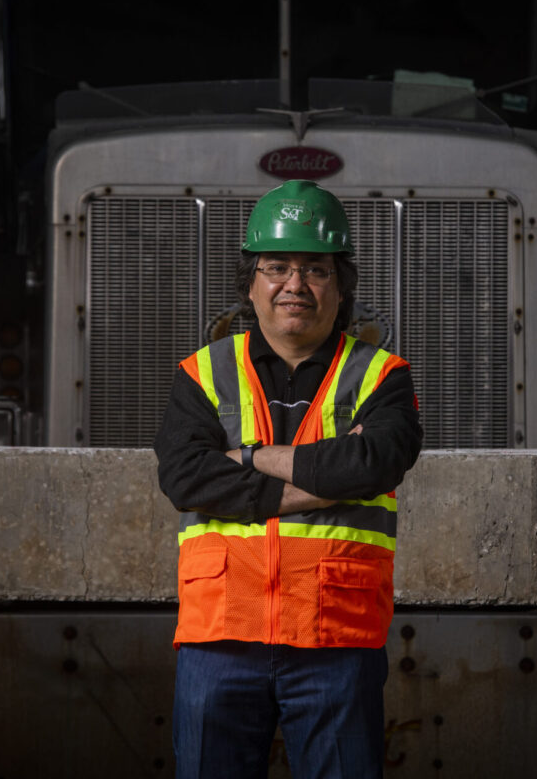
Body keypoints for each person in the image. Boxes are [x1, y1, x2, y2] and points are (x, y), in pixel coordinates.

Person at [154, 179, 423, 779]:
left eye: (316, 269)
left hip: (336, 639)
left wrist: (246, 457)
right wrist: (333, 474)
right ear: (250, 283)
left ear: (340, 284)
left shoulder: (382, 376)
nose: (295, 285)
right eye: (277, 266)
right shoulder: (202, 375)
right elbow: (185, 479)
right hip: (220, 637)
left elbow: (373, 465)